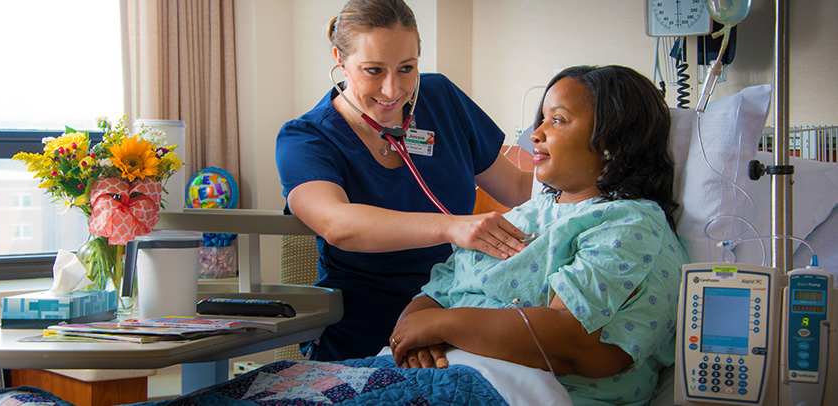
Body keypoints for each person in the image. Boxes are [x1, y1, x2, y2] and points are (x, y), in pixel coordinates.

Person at [389, 65, 689, 405]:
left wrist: (442, 326)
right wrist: (418, 335)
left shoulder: (628, 224)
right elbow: (436, 292)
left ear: (611, 139)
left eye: (557, 120)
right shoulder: (525, 214)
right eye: (541, 118)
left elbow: (568, 340)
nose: (536, 133)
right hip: (431, 375)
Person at [275, 0, 533, 361]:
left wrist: (607, 178)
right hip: (366, 327)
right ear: (340, 59)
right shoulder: (306, 139)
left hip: (457, 311)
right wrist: (451, 228)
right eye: (373, 70)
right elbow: (338, 224)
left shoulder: (442, 99)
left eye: (406, 68)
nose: (392, 90)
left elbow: (519, 189)